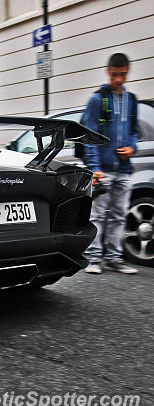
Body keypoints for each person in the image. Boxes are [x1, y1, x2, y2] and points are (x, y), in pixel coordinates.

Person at [82, 53, 138, 275]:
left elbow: (134, 133)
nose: (118, 80)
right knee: (98, 215)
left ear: (127, 72)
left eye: (123, 75)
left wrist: (133, 148)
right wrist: (95, 168)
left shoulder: (132, 100)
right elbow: (90, 137)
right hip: (103, 170)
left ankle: (115, 258)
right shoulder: (98, 100)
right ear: (108, 72)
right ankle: (94, 258)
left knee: (119, 215)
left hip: (123, 170)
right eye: (115, 75)